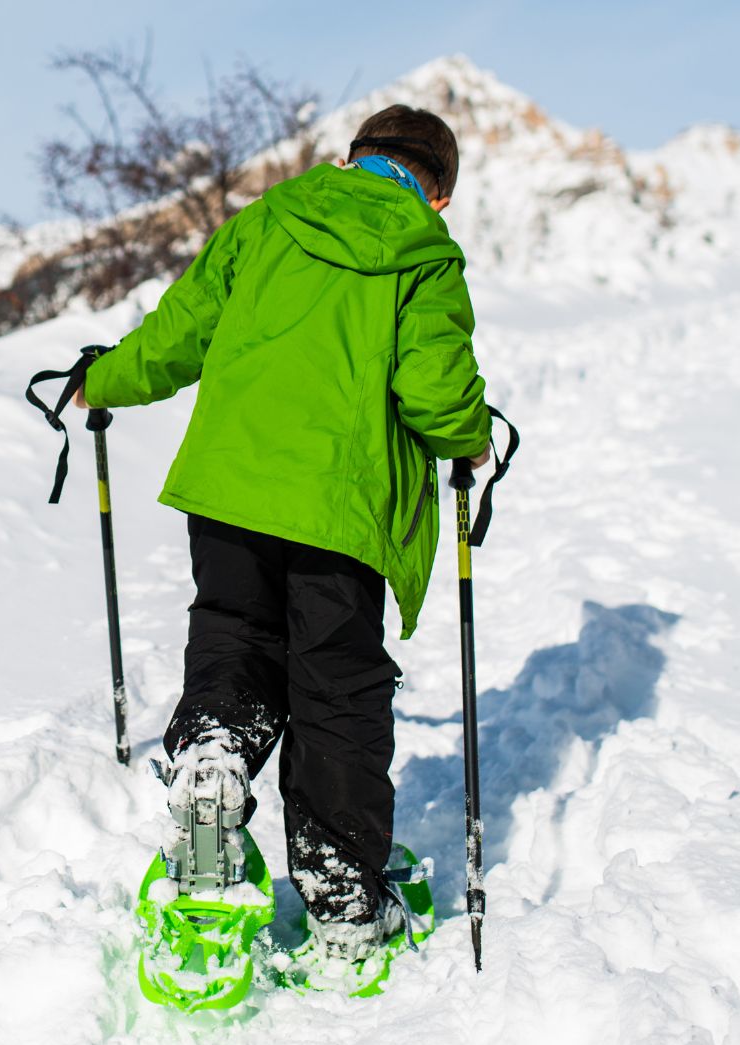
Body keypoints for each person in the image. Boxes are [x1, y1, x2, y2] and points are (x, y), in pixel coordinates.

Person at [76, 104, 491, 960]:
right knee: (336, 683)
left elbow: (177, 336)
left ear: (350, 159)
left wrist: (102, 382)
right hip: (340, 509)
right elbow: (436, 392)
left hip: (228, 491)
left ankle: (213, 769)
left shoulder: (265, 219)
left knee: (234, 637)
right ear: (437, 194)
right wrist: (474, 438)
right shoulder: (425, 254)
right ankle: (342, 894)